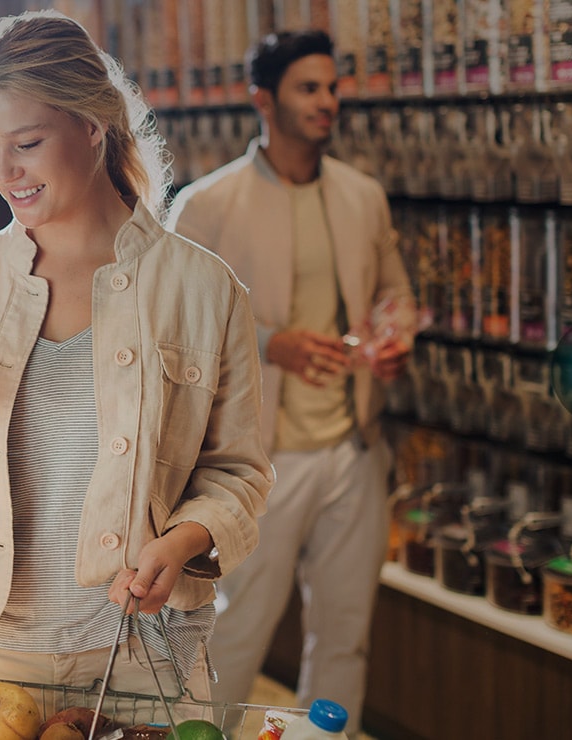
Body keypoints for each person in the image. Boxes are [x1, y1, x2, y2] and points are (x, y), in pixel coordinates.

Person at [0, 10, 272, 711]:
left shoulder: (203, 288)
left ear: (92, 125)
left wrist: (180, 542)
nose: (5, 172)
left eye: (27, 143)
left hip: (146, 653)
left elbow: (238, 474)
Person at [165, 29, 416, 732]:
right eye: (309, 88)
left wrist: (394, 340)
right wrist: (273, 344)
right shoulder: (207, 205)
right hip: (256, 464)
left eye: (332, 87)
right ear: (264, 101)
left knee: (344, 636)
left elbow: (395, 294)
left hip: (354, 450)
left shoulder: (363, 196)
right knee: (234, 630)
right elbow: (172, 328)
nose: (326, 101)